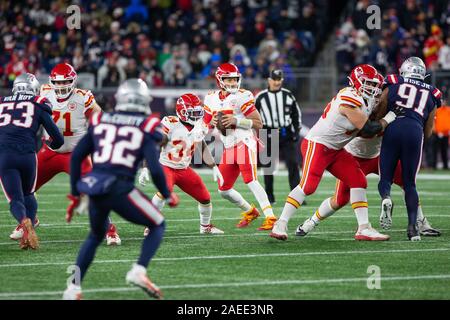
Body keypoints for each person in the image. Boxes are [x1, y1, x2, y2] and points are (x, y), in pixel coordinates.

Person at [63, 79, 178, 300]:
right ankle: (139, 270)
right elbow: (154, 167)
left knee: (95, 237)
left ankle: (72, 288)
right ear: (144, 100)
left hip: (96, 187)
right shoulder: (146, 125)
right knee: (158, 224)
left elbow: (76, 156)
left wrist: (76, 192)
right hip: (120, 187)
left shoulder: (100, 119)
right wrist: (166, 192)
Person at [270, 64, 401, 241]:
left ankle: (363, 228)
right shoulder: (349, 98)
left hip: (336, 149)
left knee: (358, 180)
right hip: (318, 145)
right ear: (356, 82)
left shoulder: (365, 101)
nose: (372, 88)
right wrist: (388, 119)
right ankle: (281, 223)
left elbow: (362, 130)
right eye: (367, 83)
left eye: (374, 85)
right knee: (308, 186)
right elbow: (368, 129)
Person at [8, 63, 121, 246]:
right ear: (51, 82)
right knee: (24, 189)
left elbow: (99, 118)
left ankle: (110, 230)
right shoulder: (43, 91)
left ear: (73, 81)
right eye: (57, 83)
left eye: (66, 82)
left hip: (76, 155)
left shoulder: (84, 97)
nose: (61, 86)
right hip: (50, 152)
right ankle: (29, 221)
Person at [297, 134, 441, 237]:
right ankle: (311, 222)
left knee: (407, 183)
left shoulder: (384, 104)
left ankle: (420, 221)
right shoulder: (354, 107)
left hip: (378, 156)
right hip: (354, 158)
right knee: (340, 200)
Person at [204, 62, 277, 231]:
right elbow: (205, 125)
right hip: (228, 146)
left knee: (250, 180)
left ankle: (271, 217)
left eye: (235, 79)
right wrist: (212, 123)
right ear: (219, 80)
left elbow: (259, 123)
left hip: (244, 141)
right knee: (223, 189)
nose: (233, 83)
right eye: (228, 80)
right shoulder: (211, 98)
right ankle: (250, 211)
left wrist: (237, 120)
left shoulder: (243, 96)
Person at [139, 93, 224, 235]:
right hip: (166, 166)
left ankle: (205, 226)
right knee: (164, 192)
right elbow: (154, 145)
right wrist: (145, 168)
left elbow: (201, 146)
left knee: (205, 198)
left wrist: (214, 166)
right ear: (182, 112)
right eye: (193, 112)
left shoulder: (199, 126)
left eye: (198, 112)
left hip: (184, 169)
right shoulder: (170, 123)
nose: (197, 116)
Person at [378, 57, 442, 241]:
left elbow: (381, 107)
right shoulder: (433, 92)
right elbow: (428, 131)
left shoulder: (393, 81)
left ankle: (386, 198)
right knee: (410, 184)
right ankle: (413, 228)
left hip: (393, 127)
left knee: (386, 178)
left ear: (404, 70)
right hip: (415, 132)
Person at [0, 73, 63, 249]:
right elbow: (58, 138)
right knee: (29, 194)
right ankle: (30, 227)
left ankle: (24, 222)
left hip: (5, 155)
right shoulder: (39, 103)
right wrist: (51, 145)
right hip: (28, 155)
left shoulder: (2, 102)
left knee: (15, 200)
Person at [255, 69, 302, 204]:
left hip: (285, 132)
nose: (277, 82)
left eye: (279, 80)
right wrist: (256, 134)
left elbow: (296, 114)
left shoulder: (288, 95)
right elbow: (254, 115)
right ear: (269, 80)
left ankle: (296, 196)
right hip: (267, 132)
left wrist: (296, 131)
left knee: (293, 164)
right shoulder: (261, 97)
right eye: (274, 80)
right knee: (268, 167)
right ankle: (269, 196)